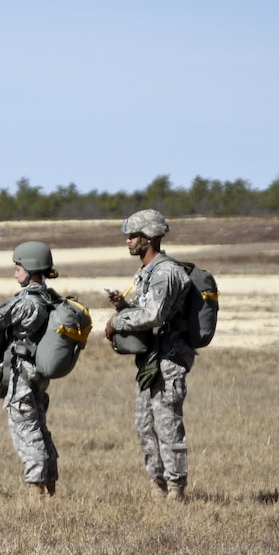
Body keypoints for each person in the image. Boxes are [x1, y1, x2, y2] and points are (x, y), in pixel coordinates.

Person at [103, 209, 195, 502]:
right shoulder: (147, 272)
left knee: (167, 426)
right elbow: (145, 311)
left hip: (169, 360)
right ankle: (158, 488)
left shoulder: (166, 272)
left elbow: (154, 316)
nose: (128, 241)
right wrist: (124, 306)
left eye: (133, 236)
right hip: (151, 361)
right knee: (145, 426)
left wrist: (117, 321)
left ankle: (176, 491)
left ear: (150, 238)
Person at [0, 241, 61, 498]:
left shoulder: (26, 301)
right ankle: (49, 490)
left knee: (26, 432)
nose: (15, 272)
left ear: (30, 268)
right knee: (39, 428)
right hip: (38, 373)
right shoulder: (48, 296)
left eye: (18, 267)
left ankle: (35, 493)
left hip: (22, 375)